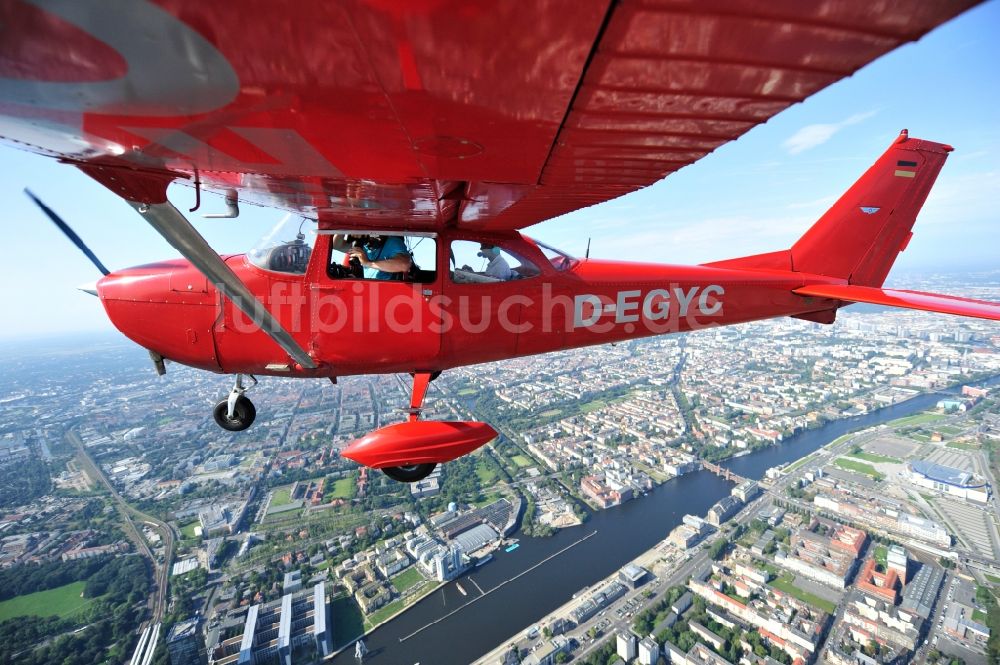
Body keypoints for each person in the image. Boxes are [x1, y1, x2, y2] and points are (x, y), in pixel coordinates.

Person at [331, 234, 412, 280]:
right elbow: (336, 245)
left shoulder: (393, 242)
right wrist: (347, 228)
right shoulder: (364, 245)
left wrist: (367, 263)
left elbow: (404, 265)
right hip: (371, 290)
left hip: (389, 292)